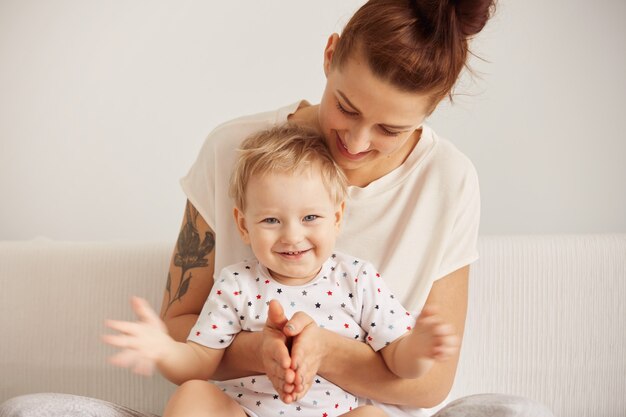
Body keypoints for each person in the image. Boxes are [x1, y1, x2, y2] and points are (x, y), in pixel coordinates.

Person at [0, 0, 554, 416]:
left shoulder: (448, 184)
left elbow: (428, 384)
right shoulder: (233, 153)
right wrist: (264, 353)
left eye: (391, 129)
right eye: (346, 106)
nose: (357, 144)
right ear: (330, 54)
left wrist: (327, 351)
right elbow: (182, 335)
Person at [102, 125, 459, 417]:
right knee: (194, 396)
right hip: (248, 413)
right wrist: (165, 350)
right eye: (271, 220)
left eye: (310, 218)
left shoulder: (357, 280)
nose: (292, 236)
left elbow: (399, 362)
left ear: (336, 217)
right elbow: (197, 363)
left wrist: (419, 350)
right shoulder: (237, 284)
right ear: (243, 226)